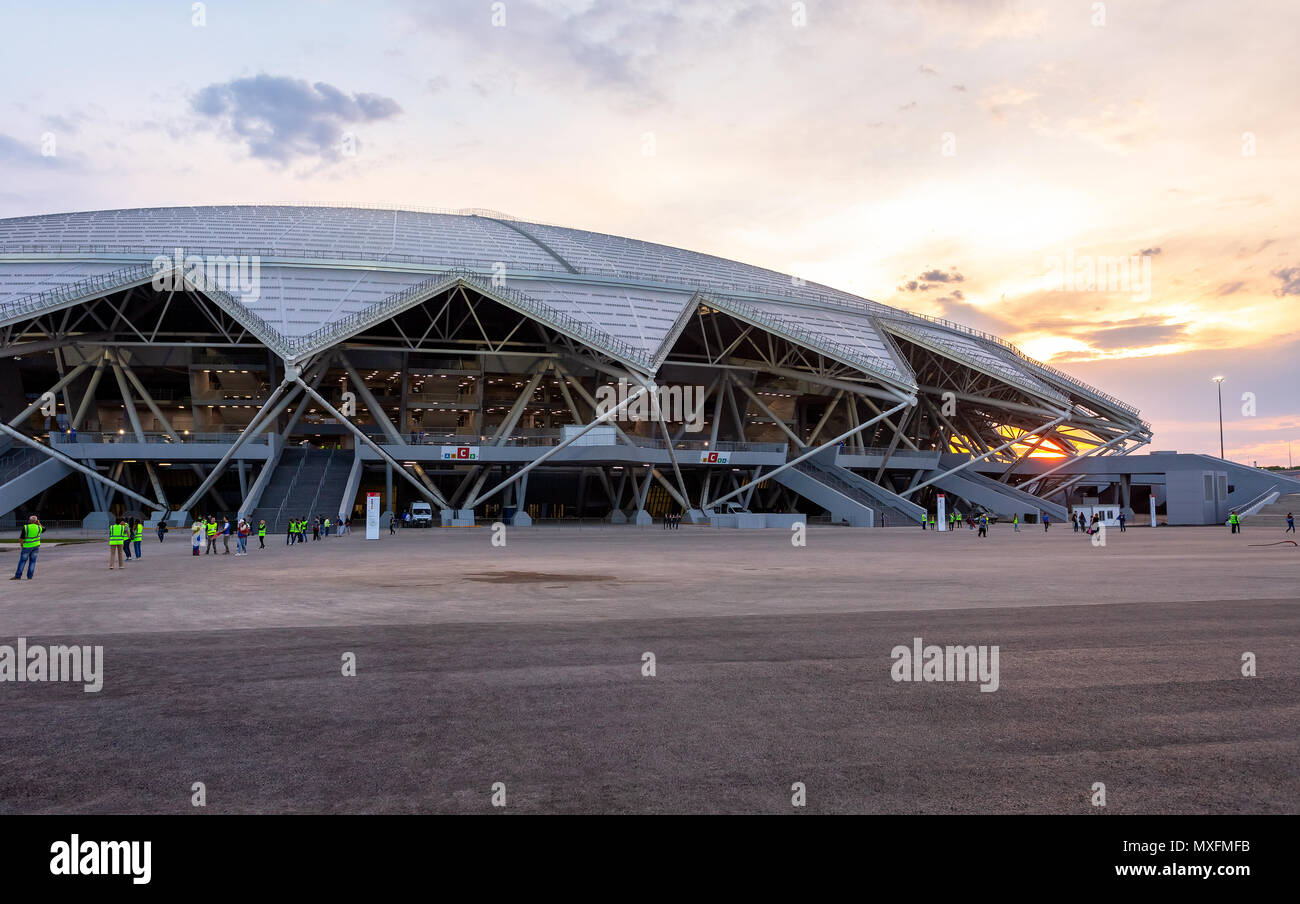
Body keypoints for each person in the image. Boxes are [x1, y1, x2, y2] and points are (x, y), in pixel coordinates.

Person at [11, 515, 41, 580]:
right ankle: (30, 576)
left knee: (22, 561)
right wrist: (38, 523)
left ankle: (18, 576)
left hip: (27, 547)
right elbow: (44, 529)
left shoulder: (26, 527)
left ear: (30, 521)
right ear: (36, 521)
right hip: (35, 547)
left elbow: (21, 538)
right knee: (33, 561)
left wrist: (21, 545)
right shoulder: (39, 527)